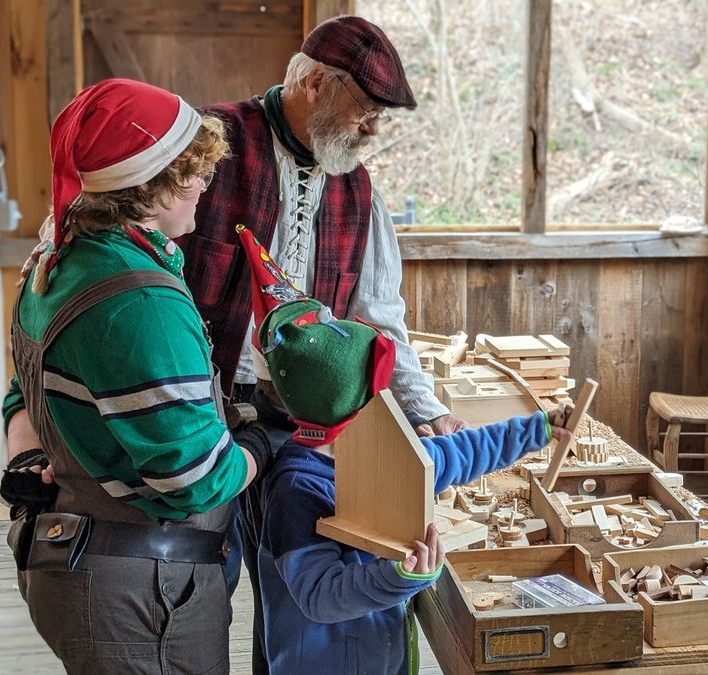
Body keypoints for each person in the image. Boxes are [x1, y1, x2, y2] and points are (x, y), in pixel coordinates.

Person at [179, 16, 471, 669]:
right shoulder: (207, 143)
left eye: (379, 121)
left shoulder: (358, 186)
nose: (374, 132)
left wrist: (424, 409)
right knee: (201, 590)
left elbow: (379, 317)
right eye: (366, 114)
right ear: (315, 83)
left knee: (296, 599)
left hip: (307, 432)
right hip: (204, 420)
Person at [0, 78, 271, 674]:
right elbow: (195, 480)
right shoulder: (140, 302)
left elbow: (23, 392)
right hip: (142, 597)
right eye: (188, 174)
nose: (205, 183)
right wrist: (261, 444)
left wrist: (24, 460)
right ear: (141, 186)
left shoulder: (55, 260)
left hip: (74, 561)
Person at [250, 293, 570, 674]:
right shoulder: (296, 491)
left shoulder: (381, 450)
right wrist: (398, 577)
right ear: (355, 403)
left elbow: (461, 452)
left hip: (381, 654)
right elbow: (319, 595)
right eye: (379, 390)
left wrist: (539, 428)